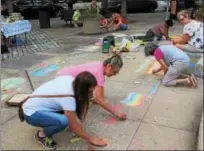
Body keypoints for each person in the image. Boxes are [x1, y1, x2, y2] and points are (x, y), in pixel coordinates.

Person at [22, 72, 108, 149]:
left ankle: (49, 119)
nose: (92, 95)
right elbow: (73, 127)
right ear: (82, 89)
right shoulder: (68, 97)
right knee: (63, 121)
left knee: (68, 115)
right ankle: (41, 135)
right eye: (89, 91)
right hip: (31, 113)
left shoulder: (71, 79)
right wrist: (91, 139)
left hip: (35, 104)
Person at [57, 54, 127, 120]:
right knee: (76, 106)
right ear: (109, 66)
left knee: (85, 94)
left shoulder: (99, 65)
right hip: (64, 81)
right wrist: (116, 113)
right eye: (114, 72)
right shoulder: (99, 74)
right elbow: (99, 100)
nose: (114, 75)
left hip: (63, 74)